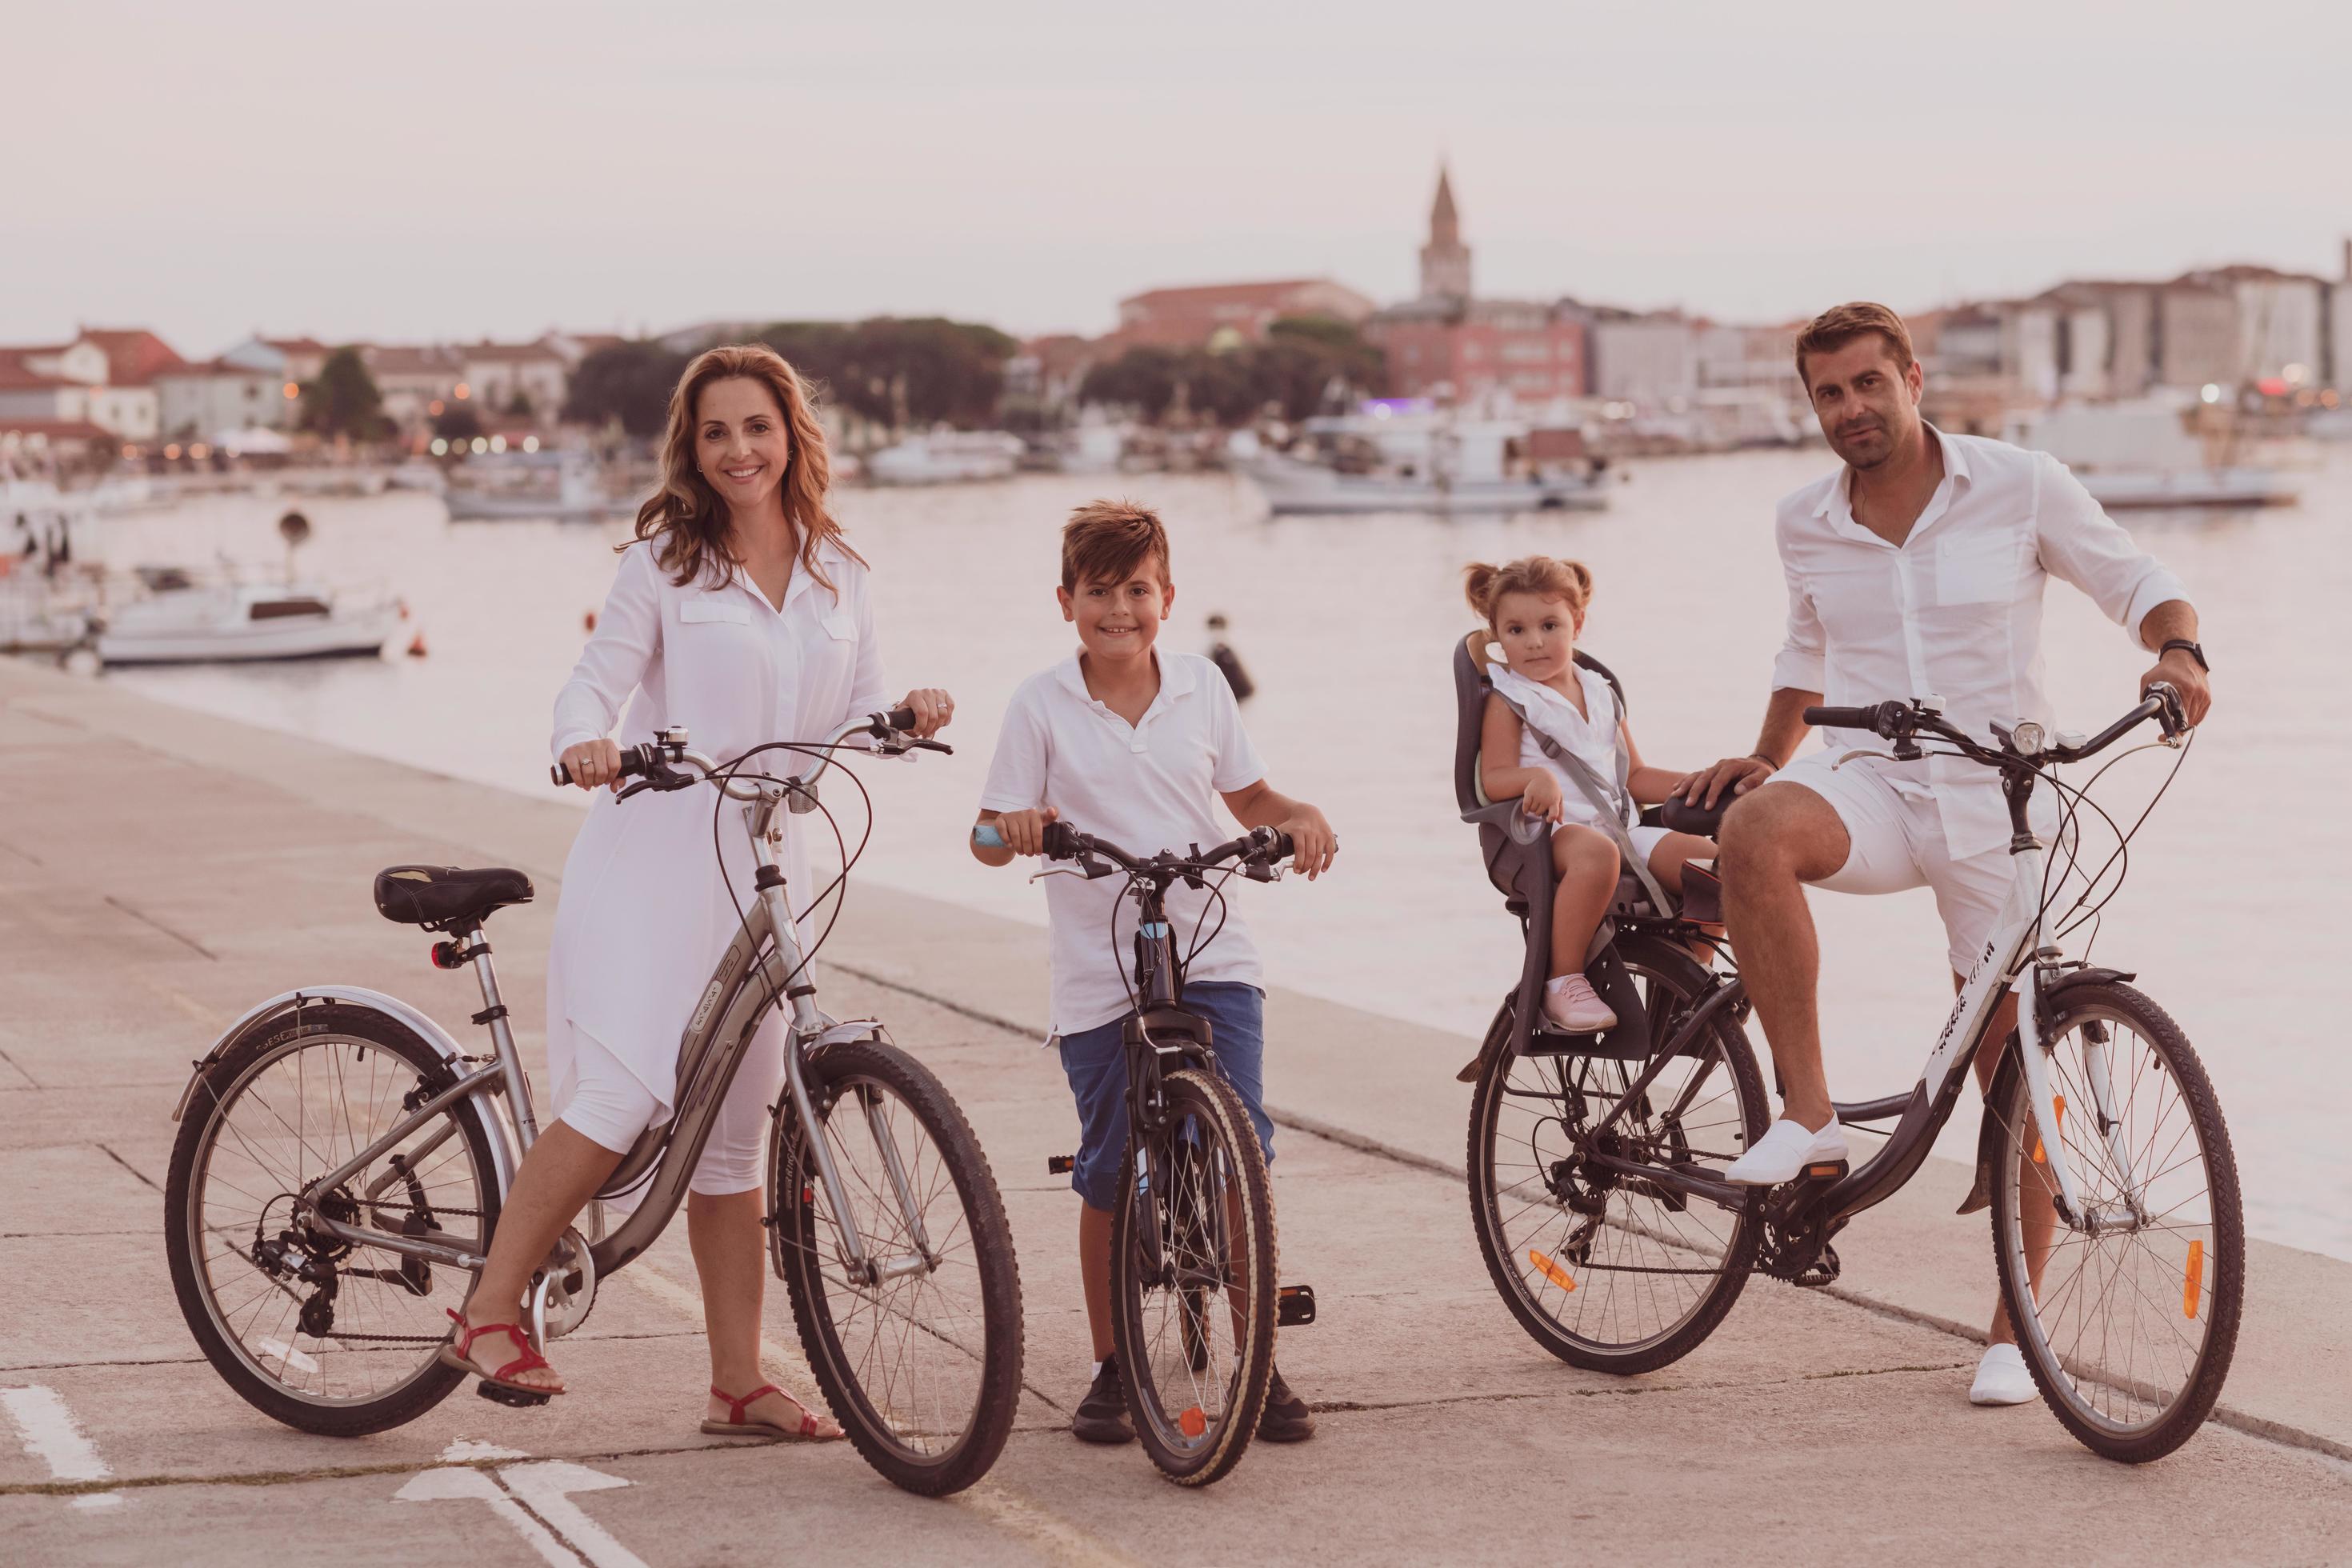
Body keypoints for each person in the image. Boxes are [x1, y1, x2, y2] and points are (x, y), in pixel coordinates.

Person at [1674, 302, 2212, 1407]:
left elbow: (2136, 579)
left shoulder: (2021, 482)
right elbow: (1803, 647)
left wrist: (2179, 652)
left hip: (1998, 793)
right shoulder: (1805, 517)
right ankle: (1809, 1120)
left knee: (2009, 1055)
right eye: (1829, 393)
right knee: (1755, 833)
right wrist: (1770, 757)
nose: (1851, 409)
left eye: (1869, 384)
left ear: (1913, 378)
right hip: (1868, 779)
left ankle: (2019, 1331)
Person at [442, 344, 954, 1442]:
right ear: (692, 445)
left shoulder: (840, 571)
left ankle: (739, 1383)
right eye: (716, 432)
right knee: (625, 1095)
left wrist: (907, 716)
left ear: (792, 435)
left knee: (733, 1133)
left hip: (772, 868)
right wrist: (585, 740)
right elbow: (595, 682)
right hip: (657, 860)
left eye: (757, 428)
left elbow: (861, 713)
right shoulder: (665, 566)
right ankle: (487, 1308)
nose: (738, 451)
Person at [970, 499, 1337, 1446]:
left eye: (1138, 590)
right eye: (1100, 592)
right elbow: (984, 835)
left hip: (1210, 942)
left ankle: (1260, 1359)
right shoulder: (1039, 702)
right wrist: (1010, 830)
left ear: (1166, 597)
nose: (1120, 609)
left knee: (1240, 1145)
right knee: (1106, 1163)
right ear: (1068, 602)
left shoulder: (1203, 687)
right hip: (1099, 966)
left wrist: (1298, 814)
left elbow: (1250, 794)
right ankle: (1110, 1363)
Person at [1458, 556, 1715, 1074]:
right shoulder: (1511, 700)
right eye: (1516, 630)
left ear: (1578, 623)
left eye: (1549, 626)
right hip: (1544, 835)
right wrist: (1536, 779)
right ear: (1497, 637)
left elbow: (1633, 777)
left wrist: (1705, 785)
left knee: (1721, 864)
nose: (1533, 642)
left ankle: (1688, 979)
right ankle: (1563, 981)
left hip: (1619, 828)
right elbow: (1492, 779)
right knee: (1596, 855)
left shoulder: (1598, 691)